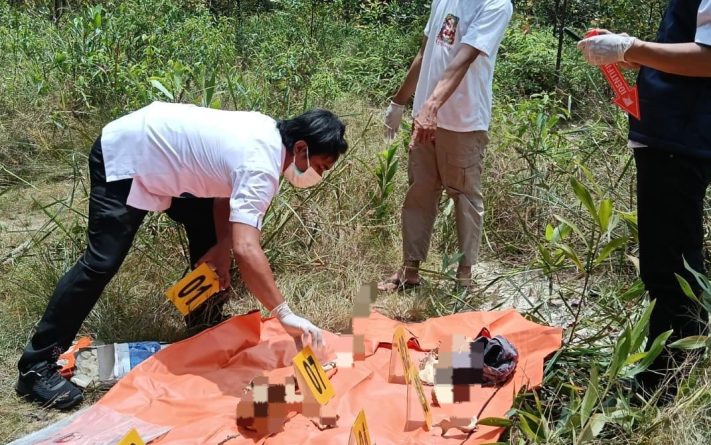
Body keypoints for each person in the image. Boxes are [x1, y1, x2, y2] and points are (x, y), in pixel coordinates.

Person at [16, 101, 348, 410]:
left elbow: (223, 197)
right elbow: (248, 247)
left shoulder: (268, 134)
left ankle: (203, 320)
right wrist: (284, 314)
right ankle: (36, 365)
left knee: (207, 225)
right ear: (301, 148)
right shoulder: (262, 164)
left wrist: (220, 251)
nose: (318, 175)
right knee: (101, 262)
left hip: (161, 155)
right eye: (319, 166)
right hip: (128, 155)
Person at [577, 0, 711, 399]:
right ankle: (666, 376)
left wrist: (629, 48)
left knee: (670, 267)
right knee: (664, 260)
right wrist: (632, 52)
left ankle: (663, 388)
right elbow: (696, 48)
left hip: (685, 136)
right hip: (671, 133)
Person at [380, 0, 513, 292]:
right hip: (426, 118)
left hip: (463, 122)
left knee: (464, 197)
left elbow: (464, 58)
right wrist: (399, 101)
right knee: (420, 191)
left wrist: (431, 107)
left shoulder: (496, 4)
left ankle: (464, 279)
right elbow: (425, 50)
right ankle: (410, 270)